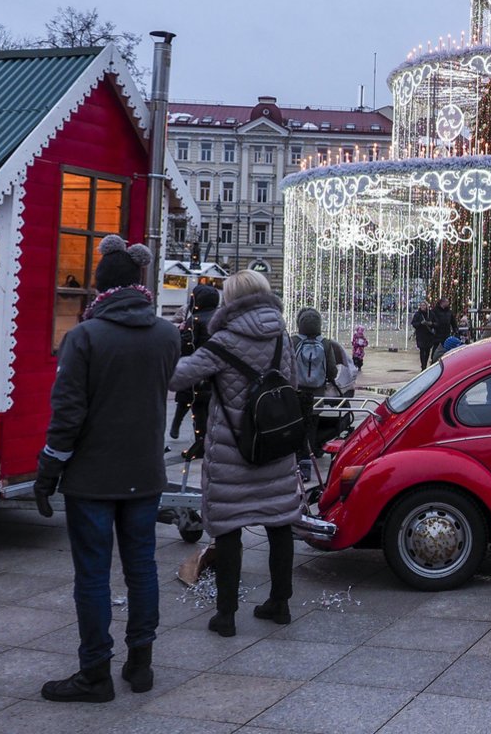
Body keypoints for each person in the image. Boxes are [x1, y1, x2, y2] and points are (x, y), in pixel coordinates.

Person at [34, 236, 181, 702]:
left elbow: (68, 412)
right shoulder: (167, 335)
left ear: (100, 288)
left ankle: (95, 671)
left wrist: (48, 469)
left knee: (93, 576)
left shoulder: (84, 337)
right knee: (143, 569)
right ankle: (141, 662)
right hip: (145, 472)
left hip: (92, 477)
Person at [169, 270, 305, 635]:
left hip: (233, 453)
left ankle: (226, 615)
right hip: (274, 448)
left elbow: (178, 377)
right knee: (278, 526)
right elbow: (290, 384)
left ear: (231, 299)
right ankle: (280, 604)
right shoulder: (281, 337)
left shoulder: (223, 341)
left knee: (229, 530)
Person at [171, 285, 219, 459]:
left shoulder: (195, 320)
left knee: (199, 411)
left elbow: (186, 345)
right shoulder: (221, 317)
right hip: (219, 373)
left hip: (199, 373)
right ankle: (210, 443)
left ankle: (201, 445)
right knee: (213, 411)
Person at [291, 307, 339, 482]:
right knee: (311, 427)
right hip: (316, 395)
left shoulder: (293, 340)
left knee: (296, 426)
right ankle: (309, 461)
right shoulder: (325, 343)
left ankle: (295, 460)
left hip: (296, 392)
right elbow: (332, 371)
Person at [411, 299, 436, 369]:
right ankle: (423, 365)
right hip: (421, 334)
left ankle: (425, 362)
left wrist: (431, 324)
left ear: (427, 306)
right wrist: (420, 323)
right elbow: (413, 323)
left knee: (427, 350)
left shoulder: (431, 314)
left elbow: (436, 323)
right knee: (422, 350)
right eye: (421, 305)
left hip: (429, 335)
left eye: (424, 305)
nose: (422, 306)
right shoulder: (418, 314)